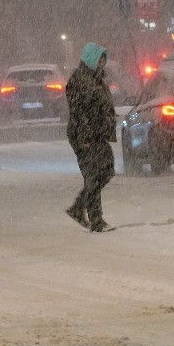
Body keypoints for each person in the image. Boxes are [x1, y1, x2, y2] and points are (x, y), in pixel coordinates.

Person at [65, 42, 117, 233]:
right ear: (90, 59)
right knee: (94, 176)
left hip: (98, 135)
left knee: (107, 170)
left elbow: (100, 106)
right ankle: (96, 220)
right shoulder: (81, 80)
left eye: (104, 58)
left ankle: (78, 208)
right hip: (86, 137)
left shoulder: (96, 79)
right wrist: (84, 138)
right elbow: (79, 112)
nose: (103, 62)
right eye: (100, 58)